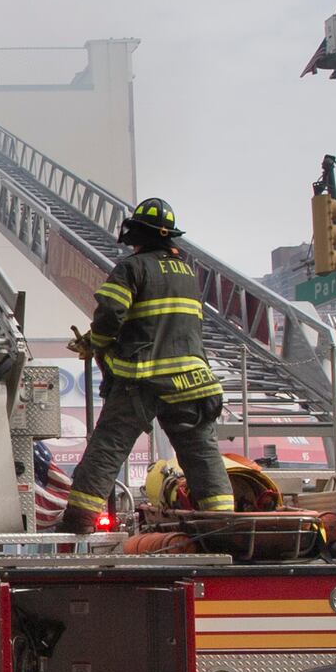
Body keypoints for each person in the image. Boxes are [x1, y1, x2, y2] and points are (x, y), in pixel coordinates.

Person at [64, 197, 235, 523]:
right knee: (201, 453)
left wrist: (96, 343)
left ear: (137, 235)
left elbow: (111, 313)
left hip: (143, 379)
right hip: (194, 381)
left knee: (109, 446)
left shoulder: (133, 268)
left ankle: (79, 520)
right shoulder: (187, 273)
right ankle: (223, 524)